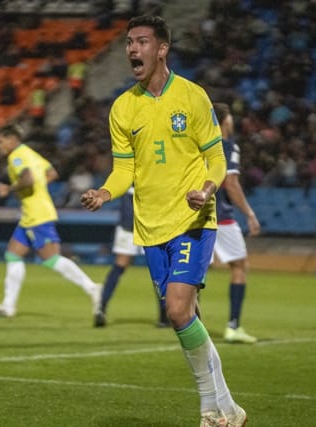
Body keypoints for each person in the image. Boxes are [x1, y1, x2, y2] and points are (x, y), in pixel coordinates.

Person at [81, 15, 247, 427]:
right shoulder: (123, 108)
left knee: (176, 311)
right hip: (149, 226)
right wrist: (104, 191)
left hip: (192, 218)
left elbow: (216, 156)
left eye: (141, 41)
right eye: (128, 42)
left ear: (162, 49)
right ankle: (229, 410)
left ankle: (209, 409)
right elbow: (125, 170)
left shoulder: (192, 97)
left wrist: (208, 189)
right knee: (189, 318)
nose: (132, 49)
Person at [0, 124, 101, 318]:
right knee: (13, 254)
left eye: (0, 141)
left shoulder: (16, 157)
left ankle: (92, 288)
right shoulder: (30, 153)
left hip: (37, 214)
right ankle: (8, 306)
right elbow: (51, 173)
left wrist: (9, 189)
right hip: (31, 213)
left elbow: (28, 179)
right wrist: (38, 186)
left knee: (51, 259)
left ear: (12, 139)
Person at [212, 103, 260, 344]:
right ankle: (233, 326)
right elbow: (230, 183)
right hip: (221, 217)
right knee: (239, 266)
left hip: (192, 215)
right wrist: (250, 214)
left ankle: (189, 325)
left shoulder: (196, 144)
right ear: (226, 121)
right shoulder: (228, 146)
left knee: (193, 272)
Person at [93, 187, 169, 328]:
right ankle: (164, 316)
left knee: (120, 265)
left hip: (127, 224)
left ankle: (101, 307)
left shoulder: (128, 169)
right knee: (158, 269)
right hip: (150, 224)